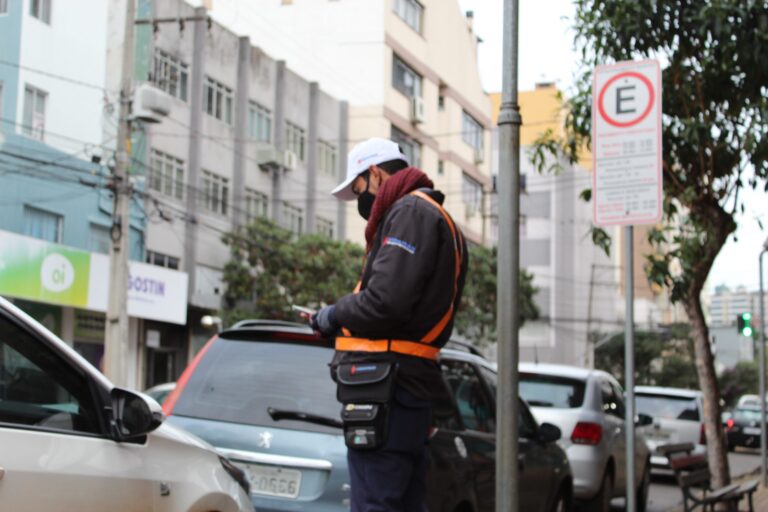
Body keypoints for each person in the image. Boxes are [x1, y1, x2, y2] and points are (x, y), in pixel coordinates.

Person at [311, 137, 468, 511]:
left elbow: (384, 303)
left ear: (375, 174)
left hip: (389, 390)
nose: (361, 202)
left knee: (376, 504)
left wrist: (332, 315)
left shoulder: (410, 212)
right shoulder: (430, 214)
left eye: (359, 188)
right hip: (403, 387)